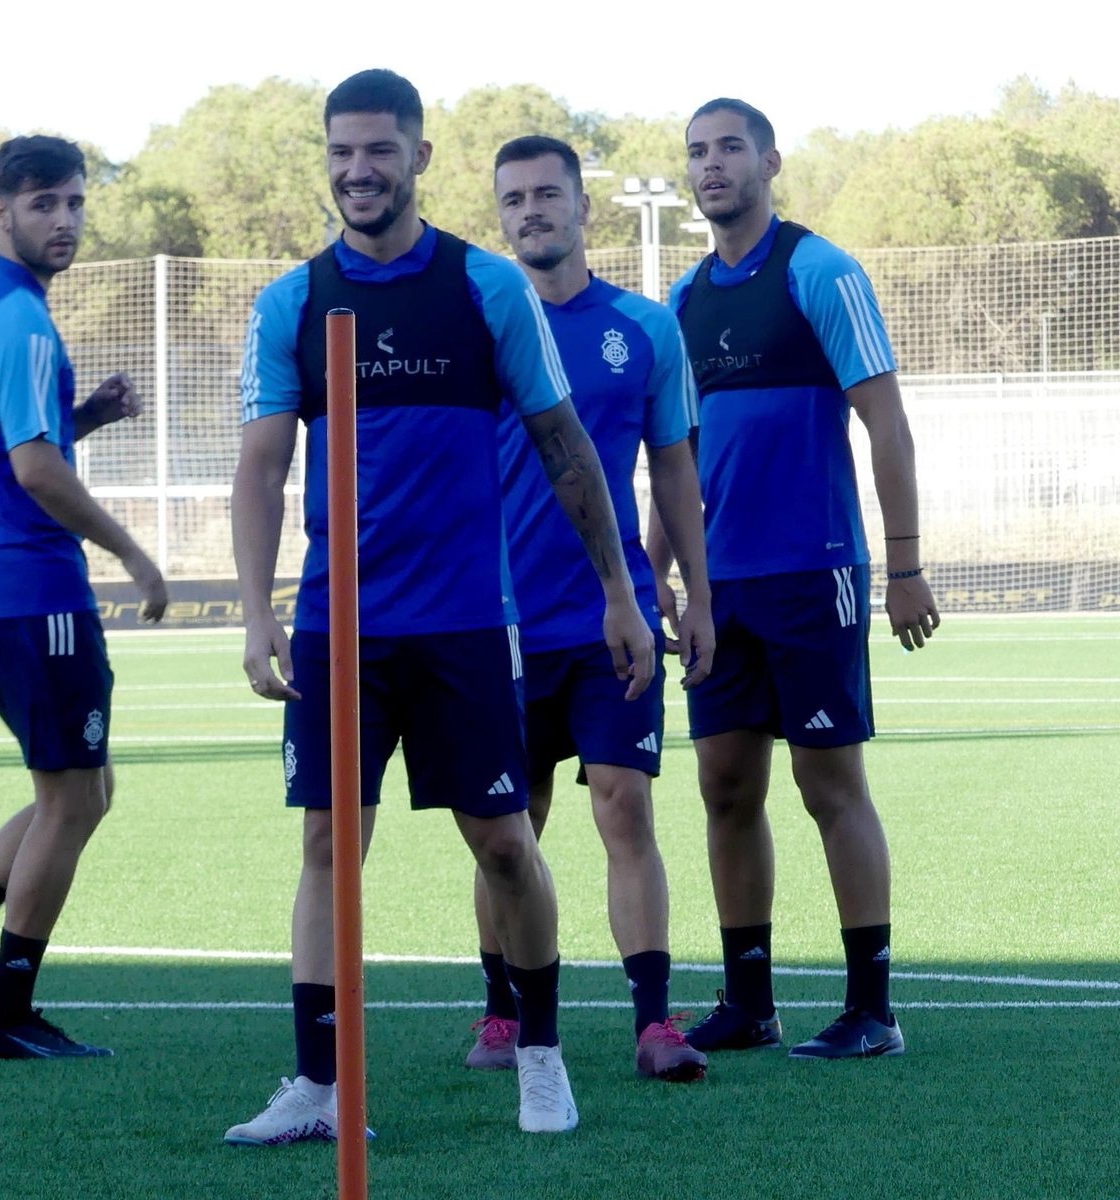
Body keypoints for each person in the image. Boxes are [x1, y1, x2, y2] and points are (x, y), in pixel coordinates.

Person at [227, 70, 654, 1142]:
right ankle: (318, 1086)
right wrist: (255, 612)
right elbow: (260, 468)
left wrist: (618, 593)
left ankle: (544, 1060)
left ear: (419, 157)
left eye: (378, 150)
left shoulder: (483, 288)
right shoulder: (293, 301)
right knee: (328, 846)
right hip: (339, 631)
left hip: (466, 626)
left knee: (506, 845)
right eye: (340, 152)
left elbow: (565, 446)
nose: (357, 171)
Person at [649, 98, 940, 1059]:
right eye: (697, 152)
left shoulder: (821, 270)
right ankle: (750, 1004)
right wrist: (658, 570)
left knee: (829, 784)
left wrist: (904, 566)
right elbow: (675, 457)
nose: (712, 164)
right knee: (726, 787)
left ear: (770, 160)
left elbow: (887, 425)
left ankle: (874, 1010)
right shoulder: (684, 304)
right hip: (720, 590)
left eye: (730, 146)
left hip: (814, 575)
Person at [0, 135, 168, 1060]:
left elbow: (8, 442)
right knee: (71, 799)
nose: (65, 221)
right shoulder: (20, 320)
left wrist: (83, 415)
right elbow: (34, 469)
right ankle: (5, 1013)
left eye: (76, 203)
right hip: (31, 586)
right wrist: (132, 551)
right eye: (45, 204)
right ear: (1, 211)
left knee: (84, 790)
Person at [463, 135, 711, 1083]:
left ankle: (655, 1022)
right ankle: (500, 1014)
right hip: (498, 627)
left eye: (547, 194)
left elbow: (676, 471)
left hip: (615, 620)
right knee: (507, 831)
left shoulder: (645, 329)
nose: (531, 211)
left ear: (583, 207)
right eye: (513, 198)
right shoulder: (481, 327)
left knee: (626, 809)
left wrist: (696, 595)